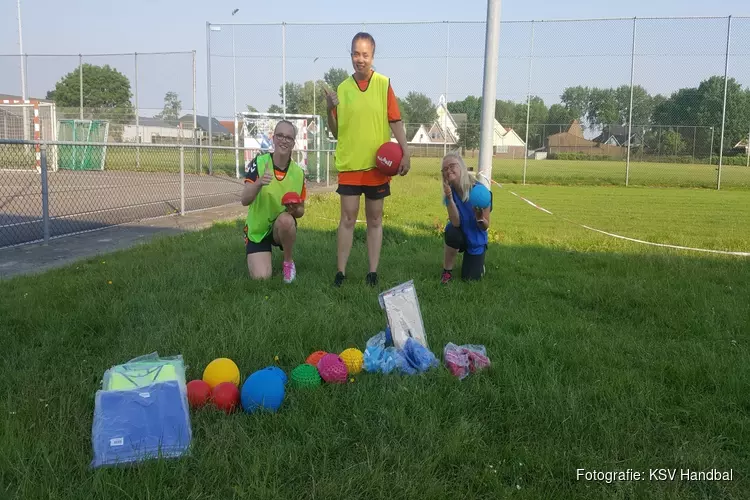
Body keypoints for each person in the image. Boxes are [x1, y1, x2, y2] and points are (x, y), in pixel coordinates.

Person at [324, 32, 411, 288]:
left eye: (365, 54)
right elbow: (336, 131)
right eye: (355, 53)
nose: (359, 59)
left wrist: (406, 151)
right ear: (350, 54)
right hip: (350, 164)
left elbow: (395, 120)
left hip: (377, 165)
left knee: (375, 219)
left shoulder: (384, 84)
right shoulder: (341, 88)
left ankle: (372, 272)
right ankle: (340, 272)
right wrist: (329, 108)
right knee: (347, 219)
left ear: (372, 56)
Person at [240, 120, 307, 283]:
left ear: (293, 143)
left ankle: (288, 262)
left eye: (289, 138)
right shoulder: (260, 162)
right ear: (273, 138)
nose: (284, 140)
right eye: (280, 136)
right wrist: (259, 183)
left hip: (280, 226)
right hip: (258, 229)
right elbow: (244, 200)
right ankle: (258, 249)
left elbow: (301, 212)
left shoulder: (298, 173)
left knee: (286, 220)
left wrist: (294, 209)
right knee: (261, 278)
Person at [440, 153, 492, 283]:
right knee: (451, 231)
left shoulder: (480, 192)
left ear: (462, 167)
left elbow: (485, 226)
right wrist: (450, 198)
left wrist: (480, 218)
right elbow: (456, 223)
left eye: (452, 166)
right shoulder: (449, 192)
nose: (448, 171)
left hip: (475, 238)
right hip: (461, 233)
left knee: (469, 279)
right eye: (445, 169)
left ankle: (479, 266)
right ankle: (447, 271)